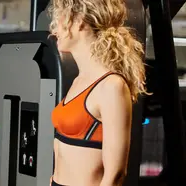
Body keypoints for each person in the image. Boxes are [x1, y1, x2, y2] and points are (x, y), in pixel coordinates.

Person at [48, 0, 148, 186]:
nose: (54, 28)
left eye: (60, 18)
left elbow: (116, 174)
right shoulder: (79, 81)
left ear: (79, 21)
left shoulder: (111, 86)